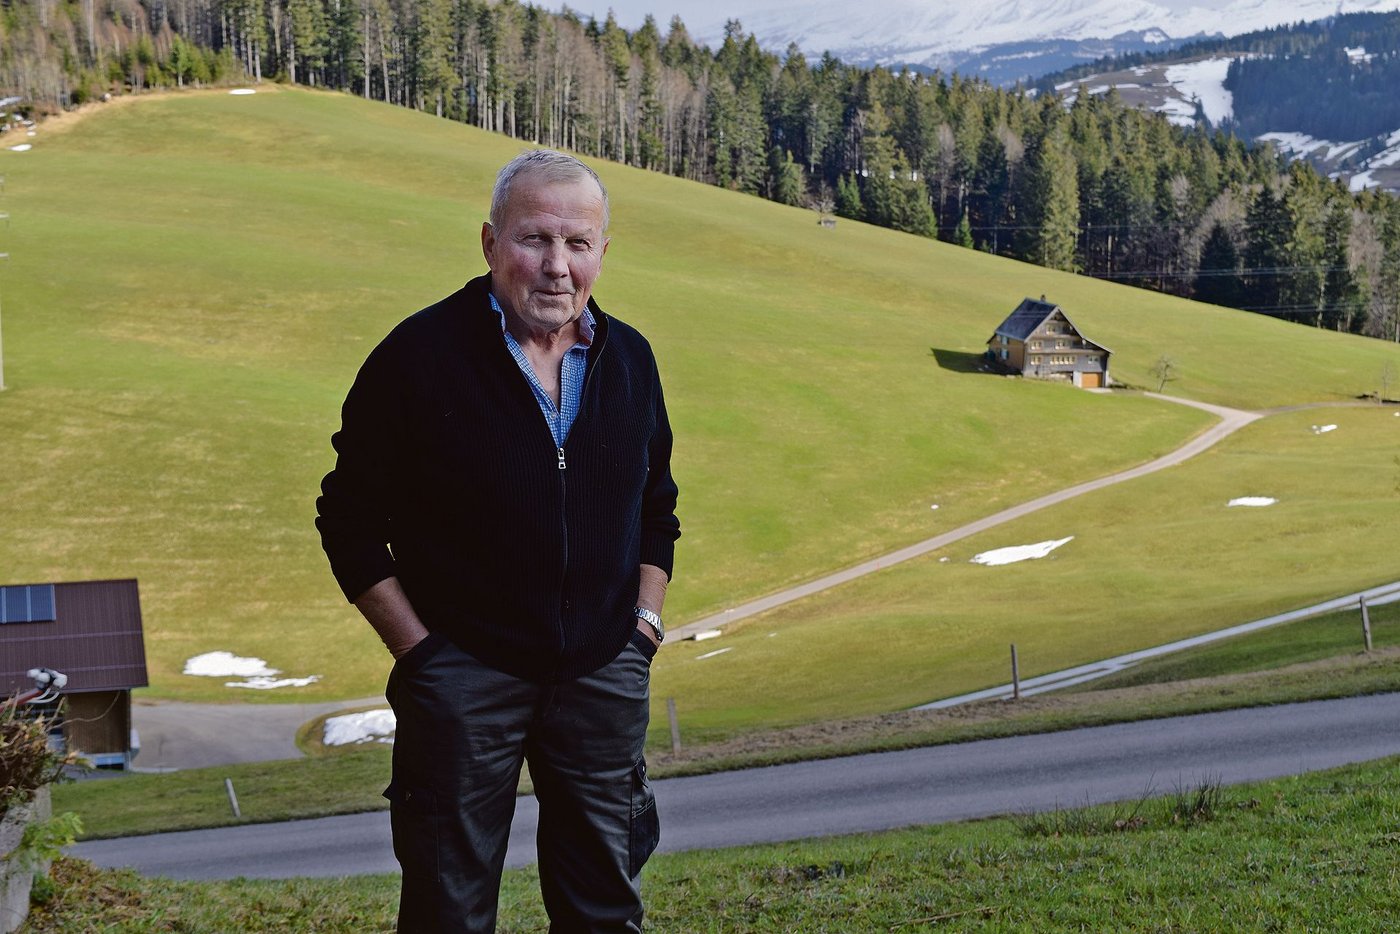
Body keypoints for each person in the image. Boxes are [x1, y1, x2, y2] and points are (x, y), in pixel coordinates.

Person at [316, 149, 680, 933]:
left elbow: (658, 506)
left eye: (578, 244)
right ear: (489, 244)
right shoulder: (417, 358)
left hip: (601, 676)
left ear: (602, 253)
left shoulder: (631, 363)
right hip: (463, 682)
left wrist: (641, 630)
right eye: (533, 239)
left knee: (605, 909)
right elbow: (347, 520)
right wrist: (421, 655)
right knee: (449, 909)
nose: (556, 266)